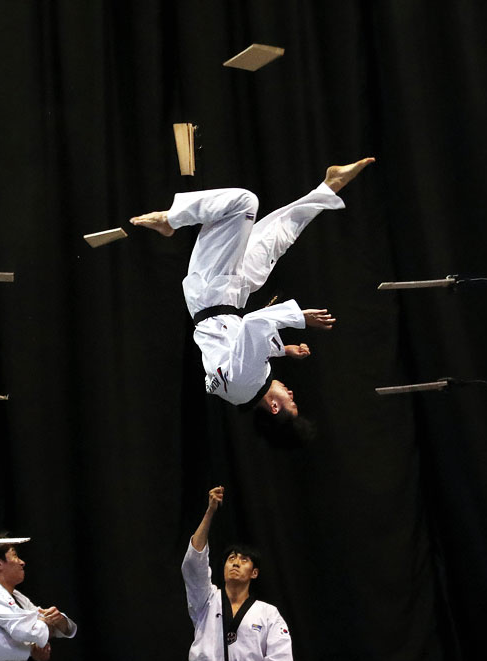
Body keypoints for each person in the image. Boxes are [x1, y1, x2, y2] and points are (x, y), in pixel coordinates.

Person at [131, 158, 374, 446]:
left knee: (245, 203)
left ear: (274, 407)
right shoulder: (240, 391)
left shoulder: (249, 380)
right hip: (228, 293)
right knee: (279, 236)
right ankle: (330, 185)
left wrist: (300, 317)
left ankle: (170, 221)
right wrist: (282, 349)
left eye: (291, 404)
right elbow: (237, 349)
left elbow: (254, 324)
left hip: (212, 288)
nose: (292, 394)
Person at [182, 486, 293, 661]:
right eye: (231, 558)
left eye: (244, 560)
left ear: (254, 572)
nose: (236, 563)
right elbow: (194, 565)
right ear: (223, 567)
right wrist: (210, 512)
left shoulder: (268, 614)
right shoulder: (206, 600)